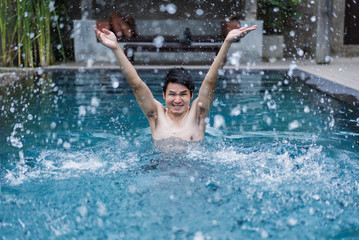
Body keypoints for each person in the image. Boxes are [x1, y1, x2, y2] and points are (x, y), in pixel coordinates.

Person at [94, 24, 257, 141]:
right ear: (164, 95)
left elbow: (210, 81)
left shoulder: (197, 114)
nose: (177, 100)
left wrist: (227, 42)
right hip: (159, 168)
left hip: (193, 169)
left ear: (191, 95)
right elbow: (136, 85)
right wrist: (115, 48)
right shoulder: (156, 114)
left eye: (183, 94)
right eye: (172, 94)